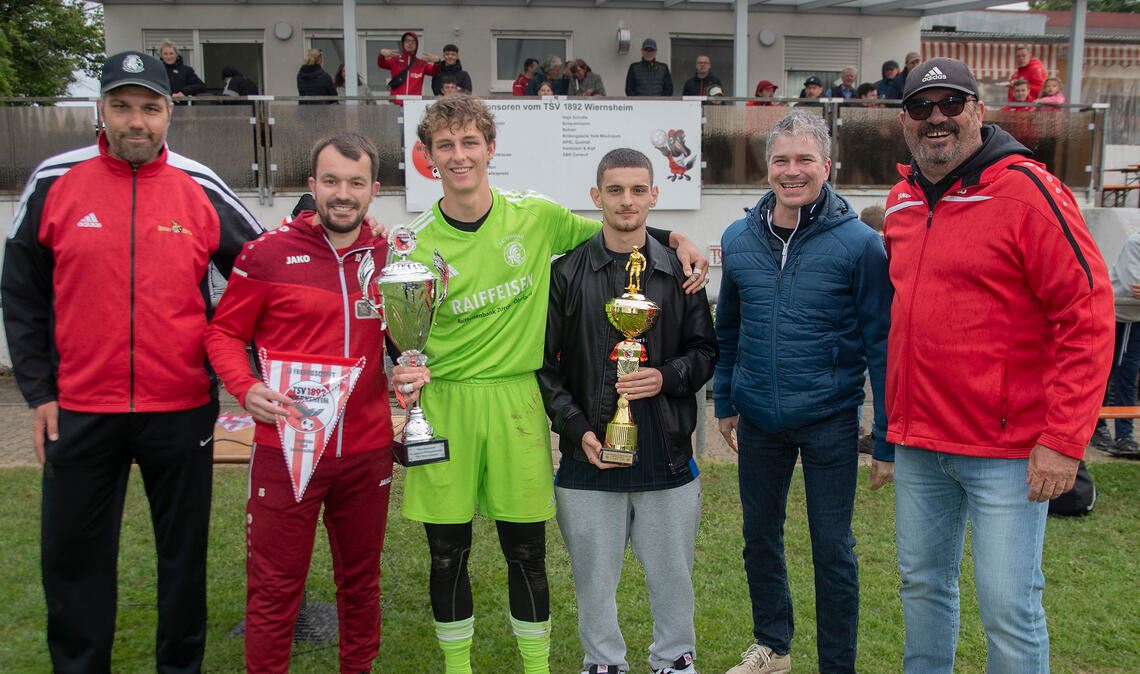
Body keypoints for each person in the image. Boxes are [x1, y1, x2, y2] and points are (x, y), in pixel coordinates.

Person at [389, 94, 707, 674]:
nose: (459, 157)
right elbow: (400, 331)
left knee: (526, 551)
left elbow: (614, 228)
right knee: (446, 554)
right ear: (428, 157)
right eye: (445, 146)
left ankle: (540, 667)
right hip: (449, 398)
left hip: (516, 401)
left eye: (469, 143)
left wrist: (676, 238)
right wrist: (402, 364)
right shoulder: (414, 243)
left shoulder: (533, 216)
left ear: (490, 148)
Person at [0, 50, 263, 673]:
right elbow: (21, 292)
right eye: (122, 107)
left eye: (149, 107)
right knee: (74, 561)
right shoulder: (55, 181)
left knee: (182, 559)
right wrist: (39, 392)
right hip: (80, 410)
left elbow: (260, 273)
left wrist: (251, 374)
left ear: (170, 112)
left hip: (181, 409)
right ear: (101, 109)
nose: (135, 122)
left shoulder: (200, 187)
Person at [886, 57, 1113, 673]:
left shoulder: (1028, 190)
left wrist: (1065, 440)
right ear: (905, 120)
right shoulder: (902, 200)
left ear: (978, 111)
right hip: (920, 442)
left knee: (1009, 606)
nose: (936, 119)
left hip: (1008, 451)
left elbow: (1087, 311)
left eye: (950, 104)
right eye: (921, 108)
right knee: (922, 588)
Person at [205, 131, 394, 674]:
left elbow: (406, 336)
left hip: (365, 453)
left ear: (373, 190)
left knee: (360, 585)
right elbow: (221, 334)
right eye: (331, 181)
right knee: (273, 591)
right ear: (312, 186)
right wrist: (246, 387)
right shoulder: (265, 255)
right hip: (284, 451)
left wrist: (410, 367)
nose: (343, 193)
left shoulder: (388, 256)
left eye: (355, 183)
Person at [716, 110, 893, 674]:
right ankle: (773, 645)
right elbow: (730, 330)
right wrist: (725, 400)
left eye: (804, 160)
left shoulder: (861, 244)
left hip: (829, 422)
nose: (792, 172)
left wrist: (885, 437)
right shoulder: (739, 237)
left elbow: (881, 345)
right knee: (758, 539)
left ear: (827, 165)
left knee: (832, 550)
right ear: (767, 166)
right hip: (760, 421)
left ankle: (836, 665)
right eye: (781, 160)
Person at [538, 148, 717, 674]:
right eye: (615, 190)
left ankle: (674, 658)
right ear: (596, 197)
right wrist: (575, 429)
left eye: (638, 190)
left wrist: (665, 377)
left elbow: (706, 353)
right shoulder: (566, 273)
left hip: (666, 451)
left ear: (654, 197)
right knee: (593, 577)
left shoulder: (679, 271)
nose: (627, 200)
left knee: (672, 573)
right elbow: (544, 367)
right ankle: (603, 662)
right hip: (589, 455)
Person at [1091, 230, 1140, 458]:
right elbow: (1135, 285)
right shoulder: (1135, 242)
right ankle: (1100, 428)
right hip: (1117, 314)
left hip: (1133, 318)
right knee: (1107, 373)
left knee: (1125, 376)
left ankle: (1123, 435)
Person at [378, 31, 441, 103]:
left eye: (413, 41)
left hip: (413, 104)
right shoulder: (395, 60)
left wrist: (437, 62)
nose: (410, 43)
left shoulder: (422, 63)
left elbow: (434, 72)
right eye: (407, 41)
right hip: (396, 103)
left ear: (416, 45)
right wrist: (381, 54)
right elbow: (381, 64)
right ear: (403, 43)